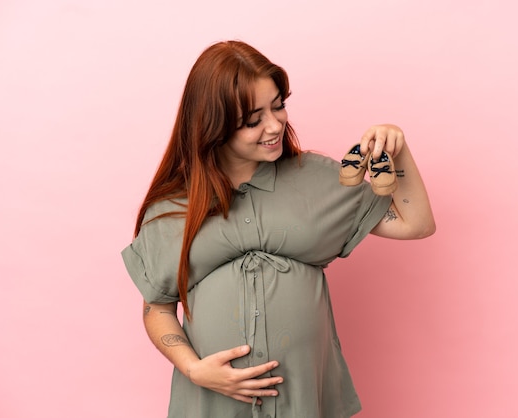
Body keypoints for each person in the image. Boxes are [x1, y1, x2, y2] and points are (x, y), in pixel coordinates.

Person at [121, 40, 435, 418]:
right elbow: (156, 307)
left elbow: (415, 224)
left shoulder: (318, 179)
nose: (275, 125)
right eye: (253, 120)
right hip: (213, 406)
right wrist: (194, 369)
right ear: (212, 126)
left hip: (305, 400)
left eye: (279, 105)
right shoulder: (173, 207)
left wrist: (399, 150)